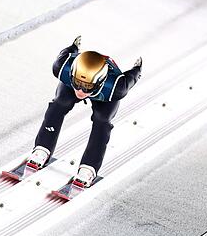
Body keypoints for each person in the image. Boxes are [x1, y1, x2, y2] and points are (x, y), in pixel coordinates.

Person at [25, 35, 142, 188]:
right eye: (77, 83)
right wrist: (74, 47)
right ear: (71, 74)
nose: (80, 91)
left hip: (104, 97)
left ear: (99, 82)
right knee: (60, 103)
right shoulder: (62, 67)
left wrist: (137, 69)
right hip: (77, 84)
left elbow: (132, 77)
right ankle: (42, 149)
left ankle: (89, 167)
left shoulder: (116, 87)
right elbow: (66, 53)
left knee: (102, 120)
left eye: (86, 87)